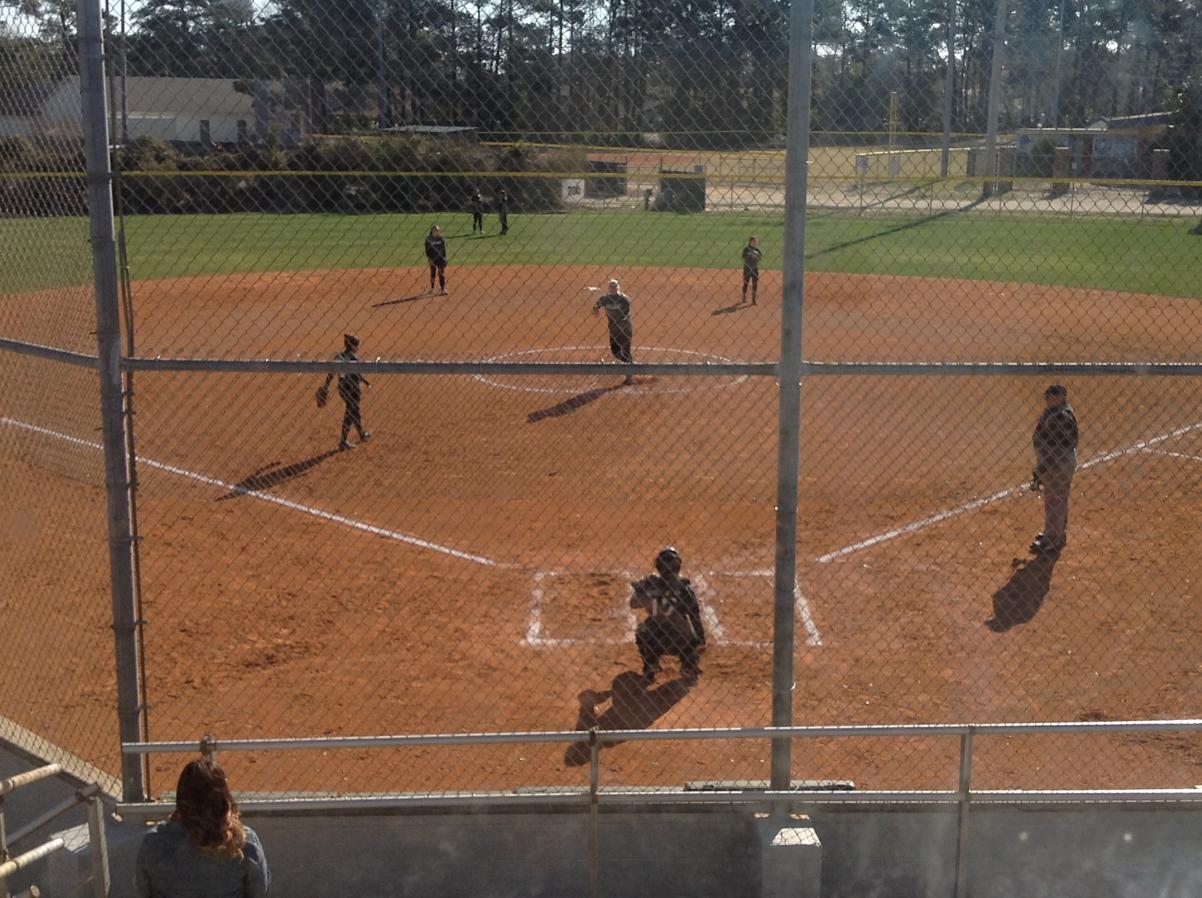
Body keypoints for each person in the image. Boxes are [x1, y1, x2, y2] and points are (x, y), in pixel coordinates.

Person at [134, 758, 270, 898]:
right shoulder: (245, 842)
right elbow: (260, 891)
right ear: (223, 800)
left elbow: (143, 891)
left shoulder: (154, 843)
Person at [629, 547, 706, 682]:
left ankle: (650, 664)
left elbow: (633, 604)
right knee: (690, 631)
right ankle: (688, 665)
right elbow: (695, 617)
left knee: (642, 630)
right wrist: (700, 641)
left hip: (656, 641)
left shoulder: (650, 585)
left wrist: (641, 590)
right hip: (680, 642)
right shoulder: (685, 589)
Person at [1029, 383, 1078, 553]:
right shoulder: (1054, 412)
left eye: (1050, 396)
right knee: (1053, 499)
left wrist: (1044, 467)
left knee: (1056, 499)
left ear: (1059, 398)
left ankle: (1053, 539)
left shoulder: (1061, 417)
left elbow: (1059, 448)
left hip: (1058, 464)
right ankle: (1054, 533)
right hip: (1053, 463)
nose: (1047, 399)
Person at [320, 334, 372, 451]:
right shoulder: (354, 359)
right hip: (353, 391)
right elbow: (357, 376)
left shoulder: (338, 357)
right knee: (350, 414)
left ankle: (362, 434)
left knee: (355, 411)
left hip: (343, 390)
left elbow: (331, 374)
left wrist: (325, 386)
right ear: (352, 346)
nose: (357, 347)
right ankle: (343, 442)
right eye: (357, 345)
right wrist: (364, 381)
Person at [592, 278, 635, 385]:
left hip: (625, 330)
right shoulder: (605, 299)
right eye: (611, 287)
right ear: (609, 288)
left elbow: (626, 315)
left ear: (618, 287)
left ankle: (629, 376)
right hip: (613, 330)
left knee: (626, 351)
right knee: (615, 352)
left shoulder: (624, 299)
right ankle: (632, 365)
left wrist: (620, 323)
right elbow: (597, 304)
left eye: (615, 287)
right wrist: (596, 309)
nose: (613, 289)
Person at [424, 224, 448, 295]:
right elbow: (427, 251)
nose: (436, 231)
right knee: (433, 273)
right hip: (432, 259)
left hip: (440, 259)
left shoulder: (441, 239)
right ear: (432, 230)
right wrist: (429, 259)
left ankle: (442, 289)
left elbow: (444, 249)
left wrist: (444, 258)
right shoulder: (428, 239)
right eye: (435, 230)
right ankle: (432, 288)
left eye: (437, 230)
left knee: (441, 273)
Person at [741, 235, 762, 305]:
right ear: (750, 242)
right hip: (747, 268)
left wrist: (756, 256)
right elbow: (743, 256)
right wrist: (750, 255)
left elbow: (760, 258)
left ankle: (753, 299)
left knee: (755, 284)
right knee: (746, 283)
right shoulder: (746, 249)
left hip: (755, 269)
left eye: (755, 241)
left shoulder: (757, 250)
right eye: (753, 241)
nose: (755, 242)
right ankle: (744, 296)